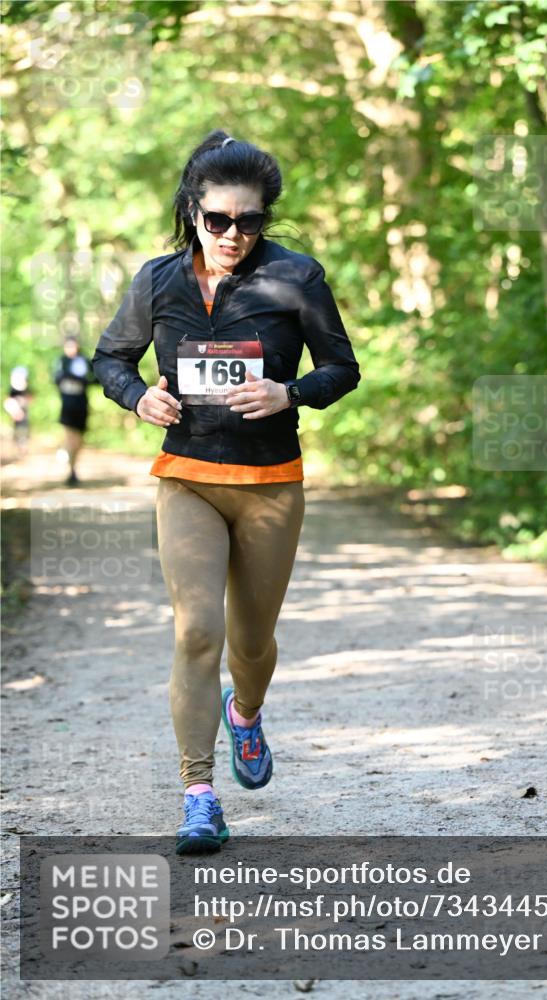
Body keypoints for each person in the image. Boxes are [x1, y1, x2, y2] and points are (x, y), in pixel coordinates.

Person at [93, 129, 360, 854]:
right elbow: (111, 358)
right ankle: (198, 795)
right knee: (196, 631)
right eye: (217, 220)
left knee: (251, 644)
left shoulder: (296, 277)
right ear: (193, 211)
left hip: (270, 485)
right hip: (188, 479)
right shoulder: (158, 281)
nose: (233, 235)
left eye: (249, 221)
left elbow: (341, 368)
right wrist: (137, 397)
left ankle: (245, 712)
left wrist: (289, 392)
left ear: (264, 219)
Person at [54, 336, 95, 485]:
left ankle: (73, 466)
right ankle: (71, 471)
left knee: (78, 439)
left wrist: (82, 380)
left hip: (81, 403)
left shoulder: (84, 360)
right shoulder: (62, 361)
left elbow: (94, 379)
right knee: (70, 436)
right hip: (67, 404)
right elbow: (57, 380)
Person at [3, 366, 32, 459]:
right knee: (17, 434)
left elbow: (30, 398)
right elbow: (8, 402)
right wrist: (14, 410)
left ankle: (22, 450)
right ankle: (18, 451)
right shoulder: (13, 391)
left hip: (24, 418)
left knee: (23, 434)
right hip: (16, 418)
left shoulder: (25, 391)